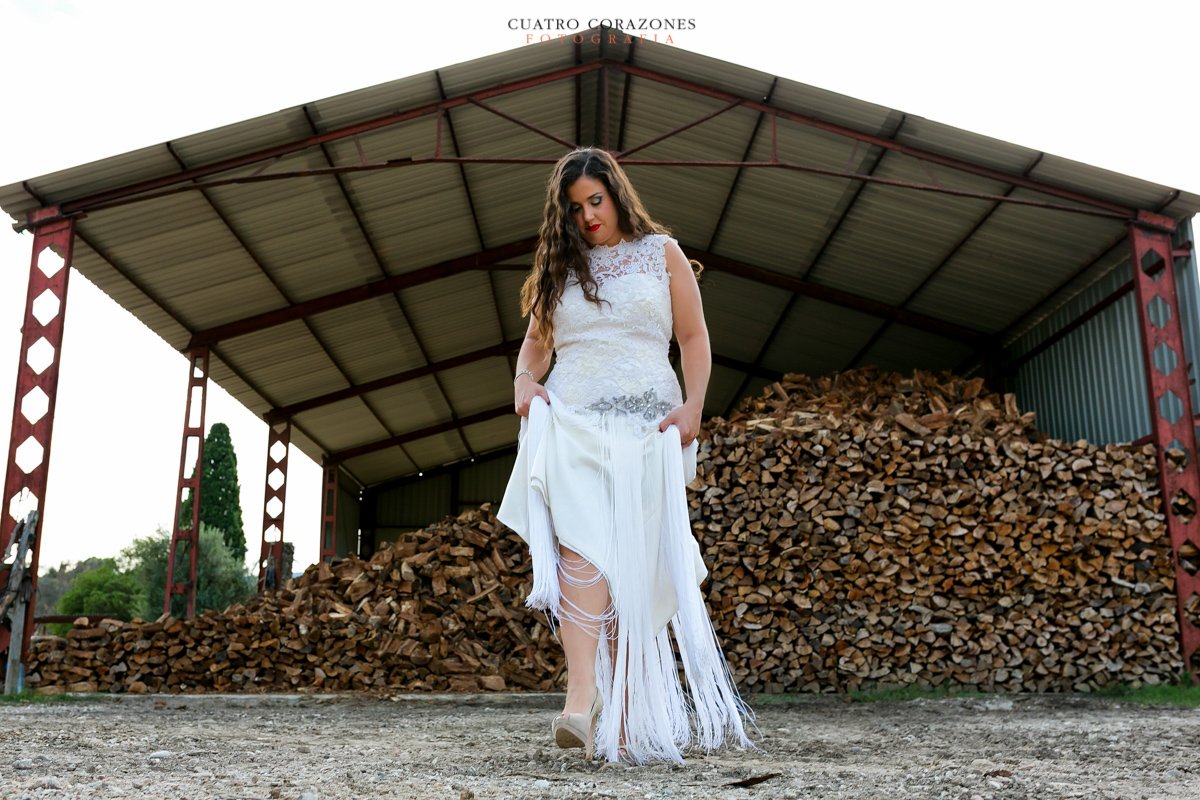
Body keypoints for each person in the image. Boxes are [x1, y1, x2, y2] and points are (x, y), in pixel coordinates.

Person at [498, 147, 753, 765]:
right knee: (580, 549)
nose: (587, 215)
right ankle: (580, 700)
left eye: (595, 200)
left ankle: (631, 710)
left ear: (616, 194)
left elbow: (693, 337)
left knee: (635, 564)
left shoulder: (661, 255)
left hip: (648, 427)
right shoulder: (560, 268)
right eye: (574, 206)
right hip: (575, 422)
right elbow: (534, 350)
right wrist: (525, 386)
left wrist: (694, 407)